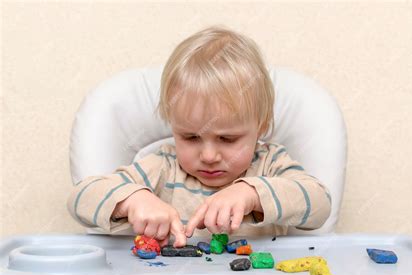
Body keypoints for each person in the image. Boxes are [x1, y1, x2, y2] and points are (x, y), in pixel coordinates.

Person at [67, 25, 331, 249]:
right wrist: (133, 200)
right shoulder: (164, 167)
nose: (208, 156)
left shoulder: (270, 164)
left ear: (261, 126)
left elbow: (320, 205)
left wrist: (252, 193)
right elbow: (79, 199)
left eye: (227, 139)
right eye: (191, 137)